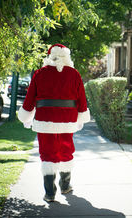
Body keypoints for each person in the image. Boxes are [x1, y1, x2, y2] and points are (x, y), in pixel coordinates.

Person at [18, 44, 90, 202]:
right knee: (66, 150)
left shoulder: (39, 73)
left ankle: (49, 193)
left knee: (47, 153)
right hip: (67, 120)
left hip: (45, 120)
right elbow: (81, 99)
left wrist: (25, 116)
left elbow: (30, 98)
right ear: (66, 57)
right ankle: (65, 186)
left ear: (50, 56)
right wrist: (82, 116)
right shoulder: (74, 74)